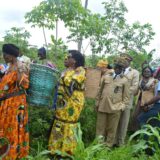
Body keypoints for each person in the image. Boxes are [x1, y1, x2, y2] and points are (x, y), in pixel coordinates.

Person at [48, 50, 85, 157]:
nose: (66, 59)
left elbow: (71, 84)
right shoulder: (66, 70)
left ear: (75, 60)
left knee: (68, 123)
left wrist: (65, 74)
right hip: (62, 102)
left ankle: (67, 152)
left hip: (73, 102)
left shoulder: (80, 70)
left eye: (68, 57)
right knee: (59, 121)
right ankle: (54, 150)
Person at [0, 44, 29, 159]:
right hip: (6, 103)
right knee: (5, 128)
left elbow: (25, 85)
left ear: (12, 55)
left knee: (11, 129)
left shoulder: (20, 67)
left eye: (5, 54)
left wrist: (21, 72)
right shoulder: (9, 66)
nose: (3, 56)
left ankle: (12, 155)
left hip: (15, 105)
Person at [95, 57, 130, 147]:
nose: (118, 69)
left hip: (115, 108)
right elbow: (99, 91)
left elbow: (126, 97)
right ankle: (98, 145)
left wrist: (121, 107)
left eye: (121, 67)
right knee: (100, 127)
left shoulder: (125, 80)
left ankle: (108, 146)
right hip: (103, 105)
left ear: (123, 69)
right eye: (117, 66)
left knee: (112, 129)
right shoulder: (106, 77)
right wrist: (97, 103)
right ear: (114, 67)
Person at [115, 53, 139, 146]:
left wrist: (122, 93)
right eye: (122, 60)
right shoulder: (117, 70)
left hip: (127, 100)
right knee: (115, 119)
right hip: (115, 99)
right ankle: (113, 141)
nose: (123, 62)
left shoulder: (134, 72)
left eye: (125, 60)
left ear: (129, 61)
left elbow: (134, 87)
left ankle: (121, 143)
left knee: (124, 121)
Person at [130, 64, 157, 131]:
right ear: (143, 72)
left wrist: (152, 104)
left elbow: (156, 93)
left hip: (148, 102)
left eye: (148, 71)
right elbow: (136, 91)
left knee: (145, 118)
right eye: (145, 71)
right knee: (135, 116)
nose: (146, 73)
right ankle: (134, 132)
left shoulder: (154, 81)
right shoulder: (140, 80)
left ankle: (144, 133)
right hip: (139, 100)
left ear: (151, 73)